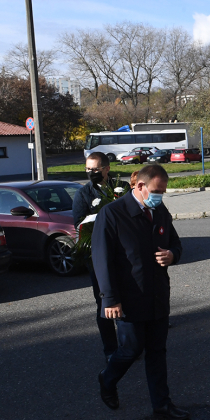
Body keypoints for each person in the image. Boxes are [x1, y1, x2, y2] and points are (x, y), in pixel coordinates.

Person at [93, 164, 188, 420]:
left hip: (157, 294)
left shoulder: (159, 211)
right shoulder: (112, 214)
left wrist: (173, 255)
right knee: (131, 349)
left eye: (163, 192)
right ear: (139, 187)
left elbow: (175, 243)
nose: (160, 196)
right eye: (157, 191)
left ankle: (162, 404)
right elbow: (102, 261)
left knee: (157, 352)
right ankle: (108, 379)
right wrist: (110, 299)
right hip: (129, 297)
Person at [72, 152, 121, 362]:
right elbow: (79, 225)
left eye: (95, 169)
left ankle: (130, 345)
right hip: (97, 257)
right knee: (104, 303)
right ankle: (111, 349)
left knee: (127, 299)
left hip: (122, 255)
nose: (91, 173)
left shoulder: (121, 188)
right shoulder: (83, 193)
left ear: (107, 169)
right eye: (88, 169)